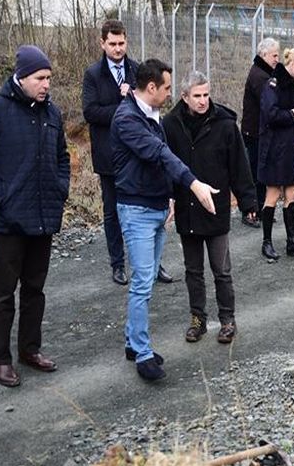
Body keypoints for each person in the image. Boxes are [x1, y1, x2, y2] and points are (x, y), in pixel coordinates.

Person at [0, 45, 69, 387]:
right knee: (2, 293)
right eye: (39, 78)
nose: (46, 84)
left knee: (35, 290)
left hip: (43, 217)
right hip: (9, 221)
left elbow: (62, 157)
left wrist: (60, 189)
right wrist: (1, 196)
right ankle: (1, 360)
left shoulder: (52, 113)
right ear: (21, 77)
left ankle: (29, 350)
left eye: (49, 78)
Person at [110, 58, 220, 381]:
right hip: (137, 211)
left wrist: (169, 196)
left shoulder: (151, 114)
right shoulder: (127, 119)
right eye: (168, 88)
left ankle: (133, 342)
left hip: (156, 208)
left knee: (146, 281)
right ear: (152, 87)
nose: (171, 93)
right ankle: (143, 353)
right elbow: (158, 154)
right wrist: (193, 184)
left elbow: (159, 164)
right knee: (143, 282)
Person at [163, 71, 257, 345]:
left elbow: (239, 165)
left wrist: (248, 201)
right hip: (187, 207)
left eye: (206, 94)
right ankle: (198, 319)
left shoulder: (224, 124)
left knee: (221, 269)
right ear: (184, 97)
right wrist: (168, 198)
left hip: (216, 207)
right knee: (193, 270)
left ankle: (227, 320)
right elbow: (166, 166)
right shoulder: (170, 124)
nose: (203, 100)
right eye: (197, 96)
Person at [83, 19, 173, 284]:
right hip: (108, 156)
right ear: (102, 43)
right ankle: (118, 264)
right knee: (112, 212)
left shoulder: (137, 70)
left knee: (148, 208)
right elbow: (90, 112)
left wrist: (133, 97)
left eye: (121, 43)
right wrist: (125, 104)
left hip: (140, 154)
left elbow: (151, 106)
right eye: (112, 43)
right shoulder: (93, 74)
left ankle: (153, 264)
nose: (118, 48)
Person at [257, 47, 294, 261]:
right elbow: (270, 114)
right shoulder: (272, 85)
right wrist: (292, 114)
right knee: (272, 194)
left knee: (291, 193)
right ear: (293, 64)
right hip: (273, 148)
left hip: (288, 147)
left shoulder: (293, 85)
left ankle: (292, 242)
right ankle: (267, 242)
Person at [240, 37, 280, 229]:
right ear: (264, 55)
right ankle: (250, 212)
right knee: (253, 174)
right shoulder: (260, 76)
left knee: (260, 173)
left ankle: (261, 210)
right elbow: (270, 102)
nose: (277, 59)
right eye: (274, 56)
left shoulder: (264, 73)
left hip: (259, 131)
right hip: (254, 132)